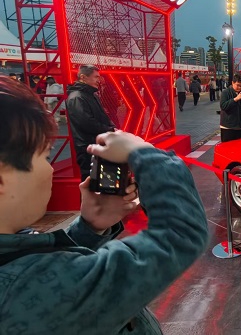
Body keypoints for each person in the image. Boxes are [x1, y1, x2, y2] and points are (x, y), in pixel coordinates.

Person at [0, 75, 208, 334]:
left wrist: (87, 230)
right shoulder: (25, 289)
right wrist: (145, 153)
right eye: (45, 156)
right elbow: (180, 235)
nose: (50, 169)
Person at [66, 65, 116, 181]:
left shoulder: (91, 95)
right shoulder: (77, 97)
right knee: (90, 181)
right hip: (87, 148)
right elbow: (86, 123)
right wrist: (109, 129)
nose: (99, 80)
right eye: (96, 77)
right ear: (83, 77)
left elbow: (101, 116)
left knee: (101, 180)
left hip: (97, 144)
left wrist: (111, 127)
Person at [220, 73, 241, 142]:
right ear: (233, 83)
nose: (240, 87)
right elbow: (223, 106)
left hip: (240, 126)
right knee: (227, 147)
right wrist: (236, 99)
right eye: (238, 85)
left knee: (238, 146)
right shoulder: (225, 92)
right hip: (228, 127)